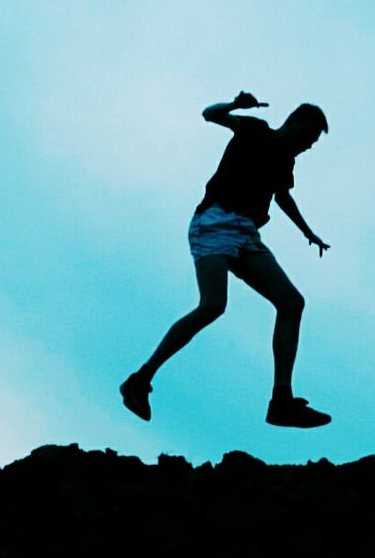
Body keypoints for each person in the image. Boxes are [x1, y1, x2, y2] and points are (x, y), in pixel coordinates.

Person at [120, 90, 332, 427]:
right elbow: (210, 114)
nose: (308, 147)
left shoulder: (285, 161)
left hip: (246, 234)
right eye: (308, 138)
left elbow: (282, 197)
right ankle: (139, 380)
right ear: (295, 124)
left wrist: (307, 232)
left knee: (292, 303)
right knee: (213, 305)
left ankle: (281, 401)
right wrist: (235, 105)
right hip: (214, 221)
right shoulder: (256, 129)